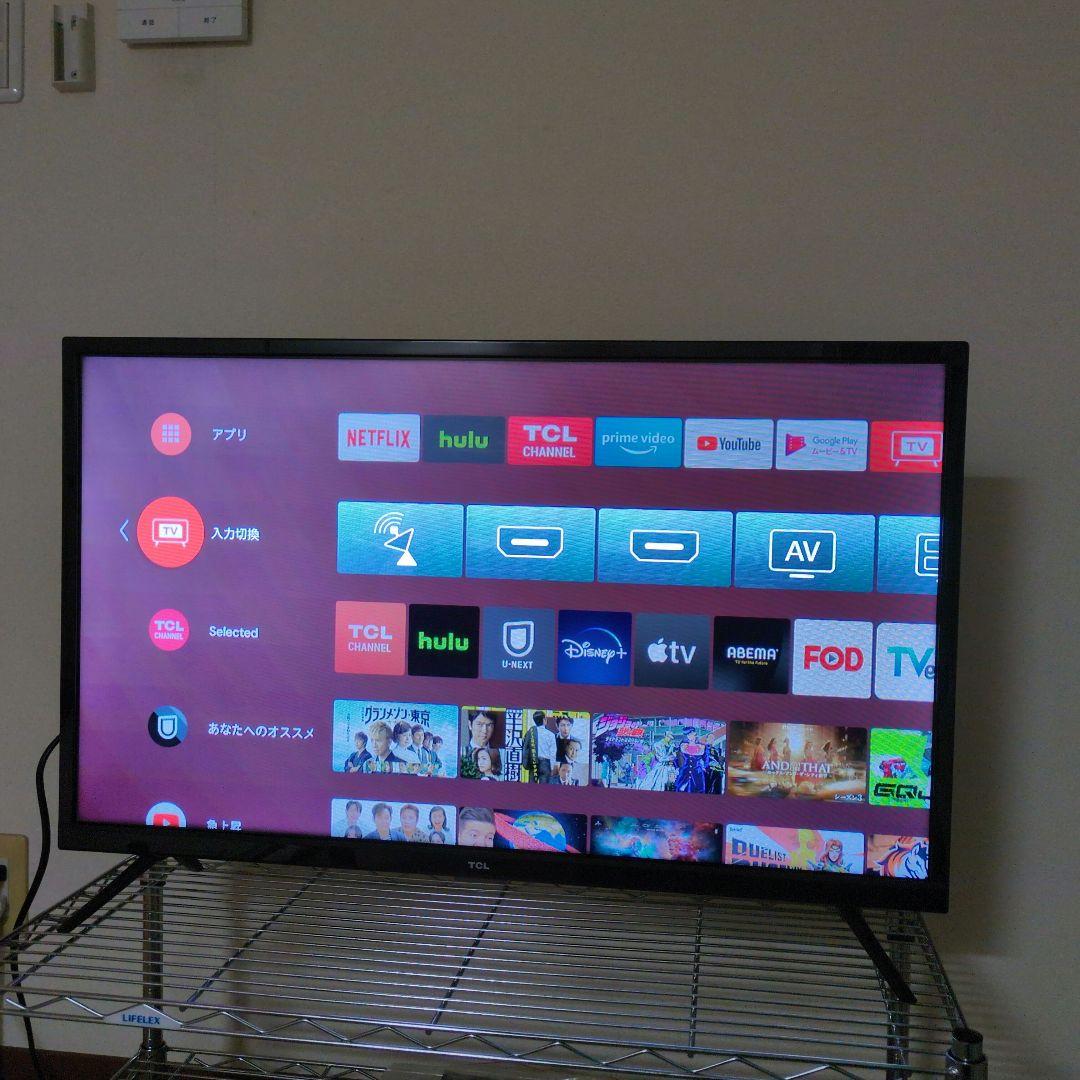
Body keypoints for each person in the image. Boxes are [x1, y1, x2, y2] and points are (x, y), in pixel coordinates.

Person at [528, 711, 556, 782]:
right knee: (544, 787)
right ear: (544, 720)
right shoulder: (550, 735)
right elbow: (553, 753)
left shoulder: (530, 733)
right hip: (545, 763)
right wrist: (552, 768)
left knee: (531, 786)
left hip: (533, 762)